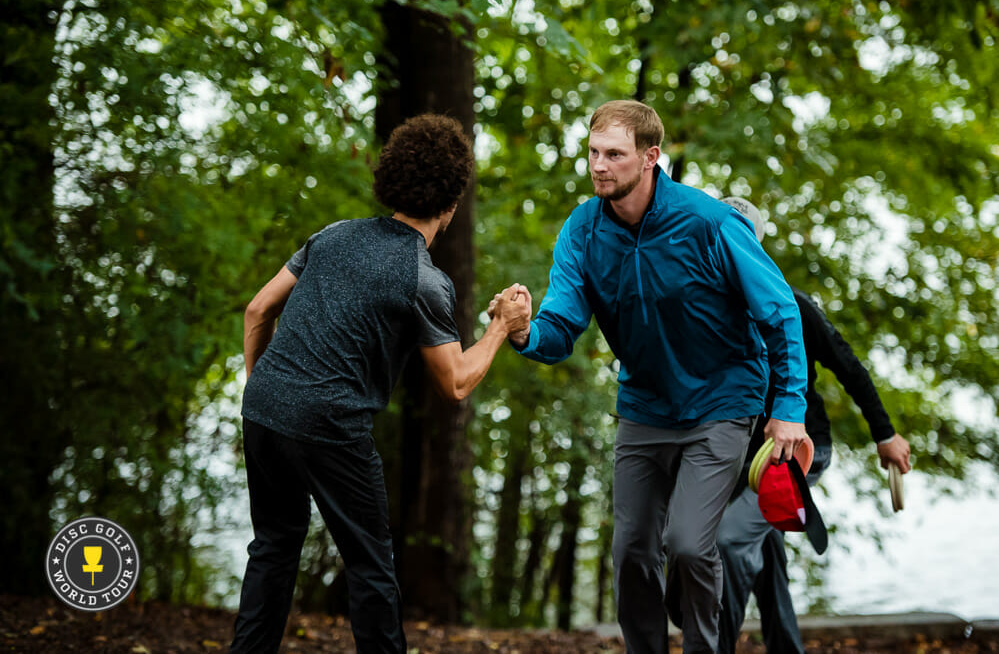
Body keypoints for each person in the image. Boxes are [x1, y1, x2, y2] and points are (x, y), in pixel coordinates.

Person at [498, 100, 809, 653]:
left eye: (614, 154)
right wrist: (523, 333)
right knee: (633, 552)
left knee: (688, 544)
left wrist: (788, 408)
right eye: (593, 153)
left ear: (650, 158)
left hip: (721, 400)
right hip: (644, 407)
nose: (599, 166)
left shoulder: (710, 222)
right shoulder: (583, 229)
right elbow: (563, 322)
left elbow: (779, 309)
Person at [232, 114, 531, 654]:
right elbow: (457, 383)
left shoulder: (332, 236)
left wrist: (265, 393)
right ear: (451, 204)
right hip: (331, 422)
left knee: (274, 548)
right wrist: (501, 327)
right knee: (371, 566)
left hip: (266, 408)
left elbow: (257, 310)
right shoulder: (423, 278)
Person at [715, 197, 913, 654]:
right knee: (765, 551)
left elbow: (850, 368)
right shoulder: (707, 308)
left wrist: (884, 434)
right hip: (740, 458)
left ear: (754, 246)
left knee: (729, 541)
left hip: (801, 449)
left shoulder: (792, 306)